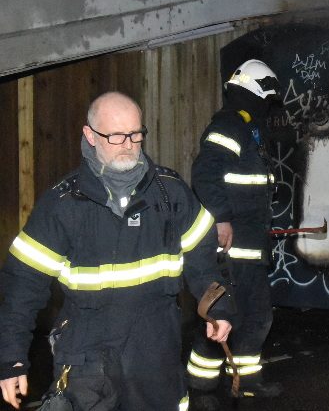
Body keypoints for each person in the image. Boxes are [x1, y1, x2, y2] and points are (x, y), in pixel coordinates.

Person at [0, 92, 232, 411]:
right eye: (117, 135)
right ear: (90, 136)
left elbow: (204, 263)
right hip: (85, 357)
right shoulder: (62, 206)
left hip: (156, 354)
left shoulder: (171, 193)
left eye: (136, 134)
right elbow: (22, 285)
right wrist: (11, 358)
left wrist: (217, 307)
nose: (129, 144)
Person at [186, 59, 283, 407]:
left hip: (249, 242)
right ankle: (212, 385)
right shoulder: (229, 125)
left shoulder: (246, 127)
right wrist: (222, 218)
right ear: (256, 92)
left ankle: (226, 381)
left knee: (241, 314)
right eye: (267, 99)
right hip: (235, 244)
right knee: (239, 314)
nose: (268, 107)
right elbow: (205, 174)